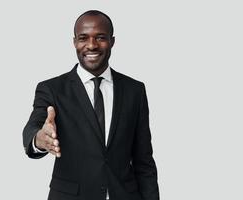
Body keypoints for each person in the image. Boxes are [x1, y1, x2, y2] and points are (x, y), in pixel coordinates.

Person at [23, 10, 159, 200]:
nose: (92, 45)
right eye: (83, 38)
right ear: (74, 42)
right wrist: (40, 139)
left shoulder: (135, 90)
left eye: (100, 37)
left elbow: (143, 160)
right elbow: (33, 127)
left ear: (112, 41)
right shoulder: (52, 89)